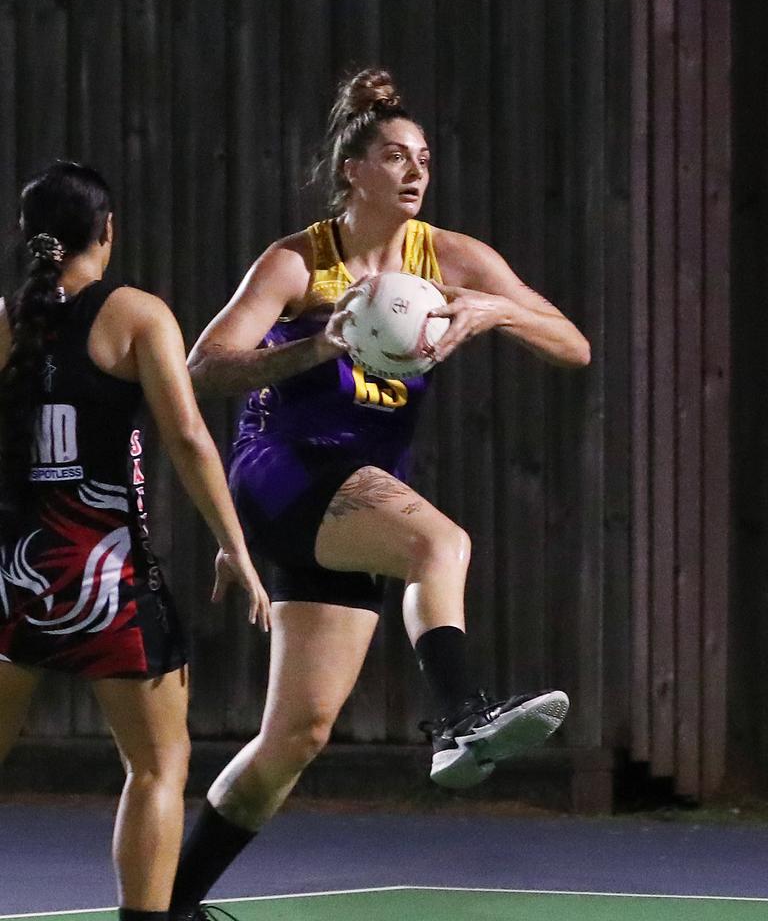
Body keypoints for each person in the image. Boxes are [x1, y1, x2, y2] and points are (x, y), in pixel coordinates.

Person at [169, 68, 591, 916]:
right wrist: (320, 347)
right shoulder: (297, 262)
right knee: (441, 544)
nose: (414, 171)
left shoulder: (452, 256)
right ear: (352, 170)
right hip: (282, 469)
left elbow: (573, 345)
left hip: (355, 493)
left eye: (424, 158)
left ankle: (168, 904)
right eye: (395, 156)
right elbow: (204, 368)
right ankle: (463, 715)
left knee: (296, 737)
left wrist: (494, 311)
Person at [0, 162, 271, 921]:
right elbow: (187, 438)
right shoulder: (136, 315)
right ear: (108, 231)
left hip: (14, 578)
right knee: (157, 766)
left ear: (31, 239)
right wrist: (235, 546)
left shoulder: (5, 322)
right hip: (107, 580)